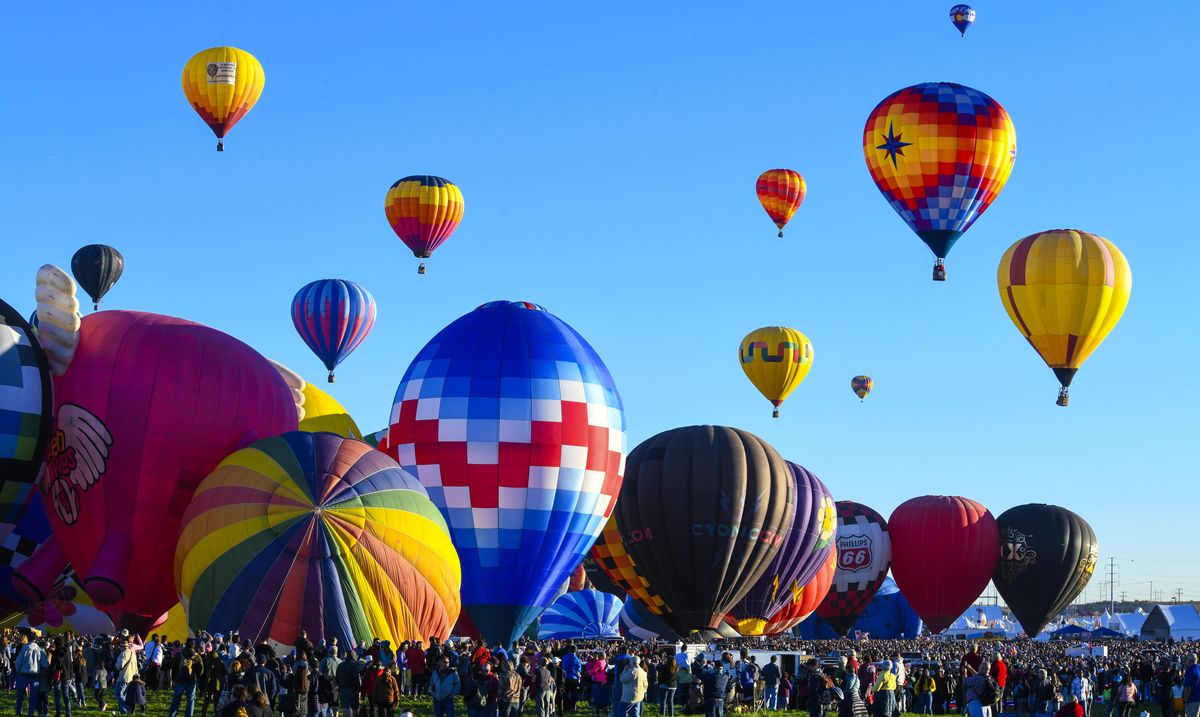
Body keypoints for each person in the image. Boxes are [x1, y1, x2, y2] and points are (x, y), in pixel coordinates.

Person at [167, 645, 205, 717]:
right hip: (192, 680)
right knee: (190, 700)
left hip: (180, 680)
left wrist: (174, 679)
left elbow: (174, 667)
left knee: (176, 699)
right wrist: (197, 677)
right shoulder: (197, 656)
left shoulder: (179, 655)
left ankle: (172, 715)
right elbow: (201, 670)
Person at [16, 635, 46, 717]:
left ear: (28, 639)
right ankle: (31, 713)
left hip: (23, 674)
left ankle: (19, 711)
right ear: (35, 640)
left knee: (20, 695)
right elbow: (44, 664)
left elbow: (18, 662)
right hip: (35, 675)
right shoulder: (39, 650)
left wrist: (18, 670)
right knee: (33, 697)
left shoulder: (24, 648)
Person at [114, 641, 139, 715]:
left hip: (123, 677)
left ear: (122, 647)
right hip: (131, 678)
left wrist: (115, 664)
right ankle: (123, 712)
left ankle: (128, 706)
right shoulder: (133, 654)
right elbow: (136, 668)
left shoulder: (123, 654)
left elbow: (119, 666)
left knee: (118, 694)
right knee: (124, 695)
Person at [335, 653, 361, 717]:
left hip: (343, 689)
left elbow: (337, 678)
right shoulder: (354, 665)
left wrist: (340, 686)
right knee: (354, 708)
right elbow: (356, 678)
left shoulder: (340, 665)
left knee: (345, 708)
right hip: (353, 690)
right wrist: (358, 689)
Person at [562, 646, 582, 713]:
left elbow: (562, 665)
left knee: (566, 693)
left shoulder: (564, 657)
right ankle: (573, 707)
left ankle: (566, 707)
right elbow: (579, 670)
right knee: (573, 693)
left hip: (566, 677)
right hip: (573, 678)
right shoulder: (577, 659)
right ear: (575, 651)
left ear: (569, 650)